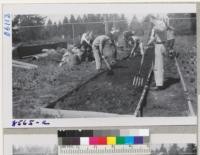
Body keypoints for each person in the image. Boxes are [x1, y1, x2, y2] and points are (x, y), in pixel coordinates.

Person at [147, 16, 167, 90]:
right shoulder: (154, 27)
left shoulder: (161, 23)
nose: (150, 22)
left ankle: (159, 85)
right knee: (155, 66)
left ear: (152, 18)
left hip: (161, 45)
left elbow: (162, 29)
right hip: (156, 45)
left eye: (150, 20)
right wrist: (147, 43)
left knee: (159, 66)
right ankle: (157, 82)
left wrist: (155, 27)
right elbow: (153, 38)